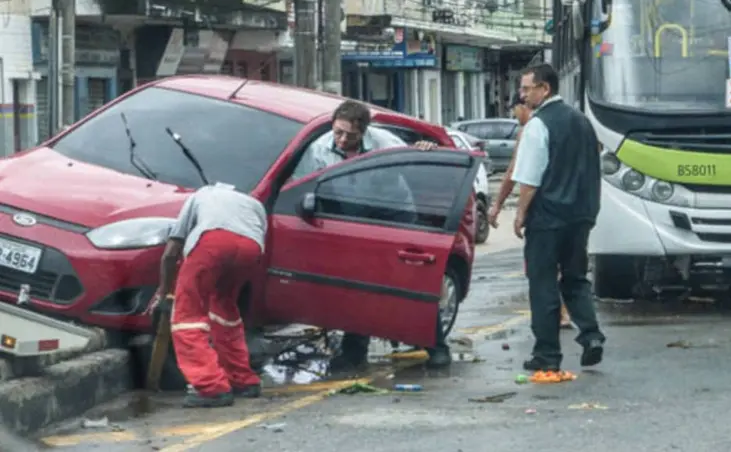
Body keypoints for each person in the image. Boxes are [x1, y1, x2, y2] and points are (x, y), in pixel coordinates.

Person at [294, 99, 453, 370]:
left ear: (364, 132)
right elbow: (303, 186)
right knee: (359, 284)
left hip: (393, 213)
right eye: (338, 133)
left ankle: (436, 345)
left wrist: (426, 150)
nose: (343, 140)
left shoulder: (384, 143)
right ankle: (354, 351)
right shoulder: (319, 150)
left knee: (411, 281)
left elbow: (418, 162)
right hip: (351, 217)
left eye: (351, 135)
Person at [511, 63, 606, 372]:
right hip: (581, 216)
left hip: (547, 219)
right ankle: (591, 336)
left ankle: (547, 355)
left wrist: (520, 214)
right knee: (576, 279)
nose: (522, 95)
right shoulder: (582, 121)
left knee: (543, 284)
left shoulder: (539, 125)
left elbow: (529, 179)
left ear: (545, 89)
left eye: (527, 89)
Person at [147, 183, 268, 408]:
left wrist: (163, 293)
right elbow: (257, 239)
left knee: (187, 316)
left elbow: (171, 251)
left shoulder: (201, 195)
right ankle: (243, 380)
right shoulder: (254, 204)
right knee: (225, 310)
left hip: (213, 242)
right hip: (251, 248)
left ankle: (210, 386)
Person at [489, 96, 572, 330]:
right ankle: (566, 313)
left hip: (542, 210)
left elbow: (515, 173)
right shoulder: (564, 124)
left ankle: (558, 315)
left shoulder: (530, 130)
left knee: (542, 267)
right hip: (570, 207)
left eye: (514, 109)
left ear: (522, 107)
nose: (514, 115)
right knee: (563, 265)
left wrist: (502, 206)